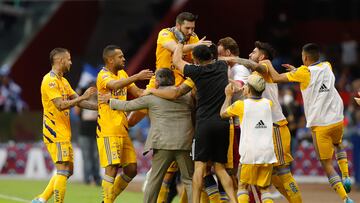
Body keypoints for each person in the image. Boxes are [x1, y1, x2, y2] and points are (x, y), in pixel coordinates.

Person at [148, 35, 238, 202]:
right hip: (223, 123)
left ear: (196, 60)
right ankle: (234, 201)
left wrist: (181, 43)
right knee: (220, 168)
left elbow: (176, 59)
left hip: (204, 124)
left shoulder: (195, 72)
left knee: (200, 167)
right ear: (212, 56)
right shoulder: (221, 66)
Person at [264, 43, 354, 203]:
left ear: (304, 57)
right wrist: (295, 71)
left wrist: (268, 64)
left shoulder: (303, 72)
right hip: (337, 119)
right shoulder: (327, 65)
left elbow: (277, 78)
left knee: (327, 165)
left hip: (321, 126)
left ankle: (345, 198)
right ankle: (346, 175)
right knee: (338, 144)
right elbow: (312, 74)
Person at [222, 41, 302, 203]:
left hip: (276, 127)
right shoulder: (254, 76)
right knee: (271, 177)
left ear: (262, 56)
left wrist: (232, 59)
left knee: (283, 171)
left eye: (254, 51)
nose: (250, 54)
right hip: (266, 130)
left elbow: (255, 65)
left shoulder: (265, 65)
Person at [100, 68, 194, 203]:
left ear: (156, 82)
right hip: (184, 143)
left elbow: (128, 106)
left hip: (162, 145)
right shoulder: (187, 97)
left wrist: (110, 101)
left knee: (154, 180)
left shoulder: (151, 98)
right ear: (173, 80)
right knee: (189, 180)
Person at [32, 48, 97, 203]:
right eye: (68, 59)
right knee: (62, 169)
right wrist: (83, 96)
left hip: (64, 132)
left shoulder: (64, 81)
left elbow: (80, 102)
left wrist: (101, 106)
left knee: (68, 170)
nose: (71, 62)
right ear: (60, 60)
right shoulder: (50, 80)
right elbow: (60, 105)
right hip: (54, 131)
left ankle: (41, 200)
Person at [96, 45, 153, 203]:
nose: (124, 59)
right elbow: (114, 86)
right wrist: (136, 77)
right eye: (120, 57)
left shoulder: (122, 73)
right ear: (110, 60)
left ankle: (107, 199)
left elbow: (138, 94)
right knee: (112, 167)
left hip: (122, 128)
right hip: (108, 129)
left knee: (131, 169)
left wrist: (154, 89)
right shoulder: (103, 75)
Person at [220, 74, 277, 203]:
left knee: (242, 187)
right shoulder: (269, 103)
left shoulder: (241, 105)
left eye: (246, 86)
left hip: (250, 152)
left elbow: (223, 114)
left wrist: (228, 96)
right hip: (267, 153)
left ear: (249, 90)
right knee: (264, 189)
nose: (244, 88)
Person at [76, 81, 101, 186]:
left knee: (96, 156)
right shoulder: (83, 98)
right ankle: (87, 179)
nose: (93, 91)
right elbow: (76, 111)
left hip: (96, 130)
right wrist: (82, 95)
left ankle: (97, 178)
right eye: (91, 89)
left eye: (94, 88)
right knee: (86, 156)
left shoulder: (99, 98)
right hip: (84, 131)